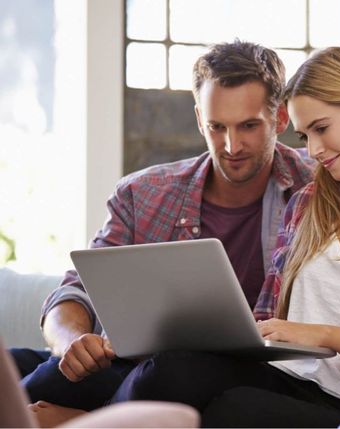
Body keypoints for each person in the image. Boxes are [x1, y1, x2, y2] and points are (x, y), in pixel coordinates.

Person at [107, 46, 340, 428]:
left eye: (321, 128)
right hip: (283, 376)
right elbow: (269, 316)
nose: (314, 150)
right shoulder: (308, 203)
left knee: (231, 411)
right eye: (304, 135)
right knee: (170, 369)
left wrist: (324, 336)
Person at [9, 40, 314, 424]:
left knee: (175, 369)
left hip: (242, 375)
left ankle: (79, 421)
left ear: (280, 119)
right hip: (133, 361)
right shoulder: (144, 193)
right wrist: (71, 342)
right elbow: (75, 290)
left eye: (249, 126)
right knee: (35, 370)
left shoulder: (317, 187)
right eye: (216, 126)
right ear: (200, 119)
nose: (231, 145)